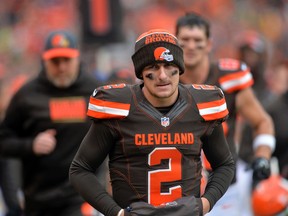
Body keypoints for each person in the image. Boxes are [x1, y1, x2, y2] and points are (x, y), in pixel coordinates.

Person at [70, 29, 235, 216]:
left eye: (168, 65)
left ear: (179, 67)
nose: (162, 75)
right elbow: (80, 169)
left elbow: (225, 164)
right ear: (141, 71)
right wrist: (117, 213)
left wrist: (206, 203)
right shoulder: (118, 107)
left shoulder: (202, 104)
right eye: (154, 67)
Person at [175, 13, 275, 216]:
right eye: (185, 40)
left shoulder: (229, 78)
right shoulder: (164, 82)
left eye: (197, 40)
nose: (191, 46)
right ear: (175, 43)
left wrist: (262, 156)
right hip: (179, 190)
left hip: (224, 189)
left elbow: (262, 121)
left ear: (209, 44)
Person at [0, 30, 103, 216]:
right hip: (38, 197)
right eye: (55, 61)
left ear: (77, 59)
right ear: (44, 61)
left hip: (80, 196)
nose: (62, 67)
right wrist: (30, 145)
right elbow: (4, 140)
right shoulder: (27, 95)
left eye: (67, 60)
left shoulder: (96, 92)